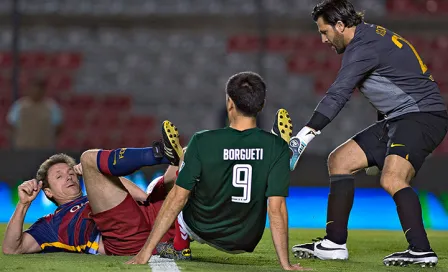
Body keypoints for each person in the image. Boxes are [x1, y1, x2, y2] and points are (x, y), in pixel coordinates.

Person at [288, 0, 447, 267]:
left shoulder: (362, 47)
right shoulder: (371, 35)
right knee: (340, 161)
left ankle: (421, 249)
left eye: (324, 32)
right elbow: (392, 86)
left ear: (340, 26)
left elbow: (338, 94)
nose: (324, 40)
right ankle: (334, 243)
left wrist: (305, 134)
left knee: (392, 178)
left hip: (420, 117)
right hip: (401, 118)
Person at [127, 71, 310, 271]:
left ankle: (181, 246)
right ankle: (280, 159)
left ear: (230, 103)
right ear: (262, 105)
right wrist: (286, 264)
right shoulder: (276, 148)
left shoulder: (202, 140)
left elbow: (178, 198)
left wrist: (145, 251)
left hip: (202, 229)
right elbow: (277, 208)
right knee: (266, 167)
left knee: (174, 183)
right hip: (247, 238)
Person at [2, 139, 179, 256]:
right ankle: (159, 153)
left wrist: (98, 173)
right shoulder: (50, 224)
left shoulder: (95, 198)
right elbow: (11, 248)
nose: (69, 176)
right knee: (88, 157)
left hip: (154, 222)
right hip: (126, 239)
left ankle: (174, 156)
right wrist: (23, 204)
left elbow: (142, 197)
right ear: (48, 192)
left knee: (189, 153)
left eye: (70, 172)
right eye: (59, 176)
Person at [7, 77, 63, 149]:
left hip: (44, 148)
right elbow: (12, 125)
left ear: (43, 91)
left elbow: (59, 127)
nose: (36, 92)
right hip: (22, 148)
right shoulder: (19, 106)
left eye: (39, 89)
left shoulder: (51, 107)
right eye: (34, 88)